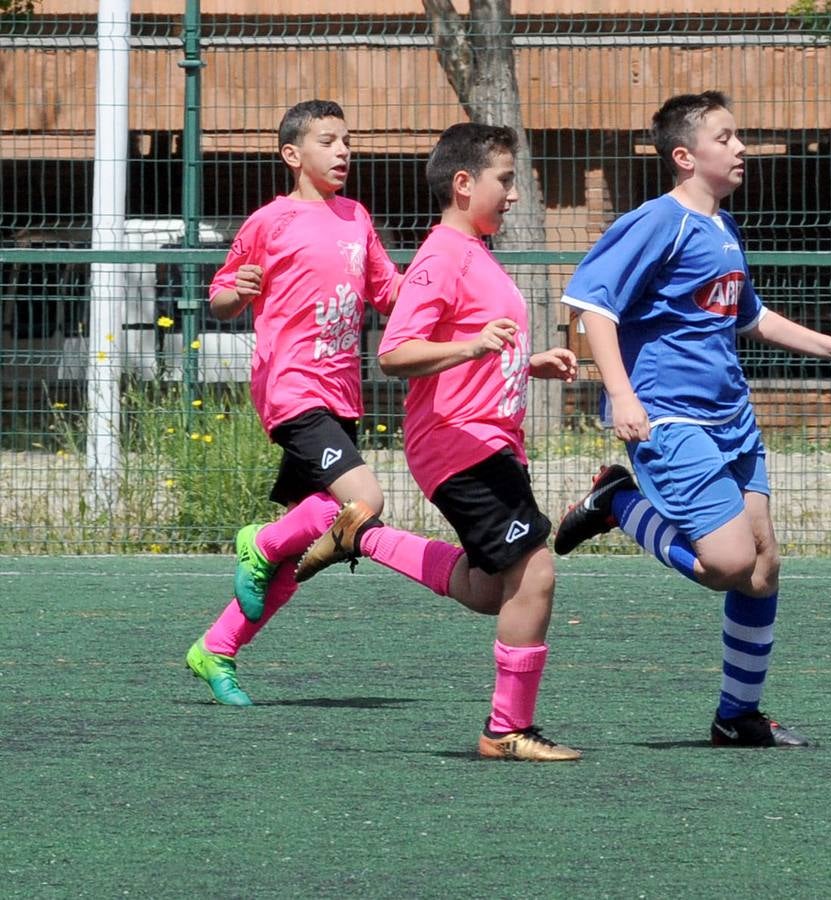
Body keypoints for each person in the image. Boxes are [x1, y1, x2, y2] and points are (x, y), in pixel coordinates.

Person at [554, 91, 831, 748]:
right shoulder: (659, 222)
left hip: (731, 419)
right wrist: (622, 396)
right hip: (670, 418)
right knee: (726, 563)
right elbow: (592, 307)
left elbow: (750, 317)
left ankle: (736, 715)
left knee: (765, 566)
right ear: (685, 156)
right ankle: (619, 500)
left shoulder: (722, 228)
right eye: (726, 137)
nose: (740, 148)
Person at [292, 122, 582, 762]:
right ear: (463, 183)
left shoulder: (476, 251)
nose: (513, 194)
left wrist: (524, 362)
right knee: (534, 569)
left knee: (489, 591)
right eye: (505, 180)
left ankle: (361, 535)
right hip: (460, 445)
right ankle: (507, 729)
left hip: (485, 440)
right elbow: (396, 352)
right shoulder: (443, 253)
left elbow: (470, 346)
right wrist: (473, 345)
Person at [185, 99, 403, 708]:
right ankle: (258, 542)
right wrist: (236, 291)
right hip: (293, 390)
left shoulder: (356, 217)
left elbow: (389, 291)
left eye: (347, 141)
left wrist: (448, 305)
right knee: (365, 500)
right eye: (329, 141)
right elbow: (223, 295)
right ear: (293, 155)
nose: (343, 152)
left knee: (296, 555)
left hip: (342, 394)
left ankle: (216, 649)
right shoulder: (269, 222)